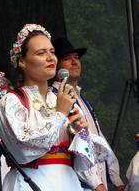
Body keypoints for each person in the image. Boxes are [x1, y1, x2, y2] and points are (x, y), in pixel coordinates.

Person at [0, 24, 110, 191]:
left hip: (68, 183)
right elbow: (23, 149)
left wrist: (81, 133)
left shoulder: (60, 99)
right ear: (22, 62)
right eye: (41, 53)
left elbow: (86, 161)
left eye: (52, 52)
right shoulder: (11, 102)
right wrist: (60, 114)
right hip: (30, 182)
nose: (50, 58)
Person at [51, 38, 125, 191]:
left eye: (76, 58)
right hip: (82, 184)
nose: (74, 62)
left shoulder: (80, 97)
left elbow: (97, 136)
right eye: (67, 58)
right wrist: (96, 184)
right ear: (56, 66)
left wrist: (115, 178)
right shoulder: (56, 98)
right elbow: (77, 144)